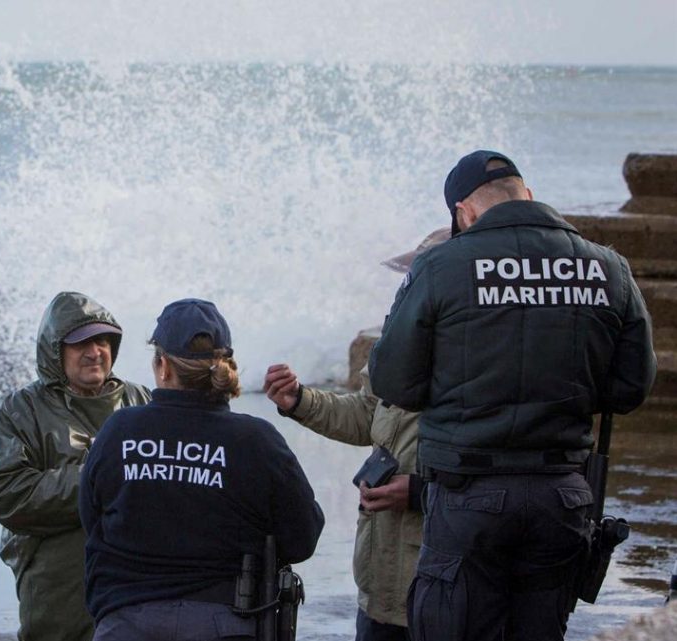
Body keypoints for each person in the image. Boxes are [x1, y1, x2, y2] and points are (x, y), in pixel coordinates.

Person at [368, 150, 656, 641]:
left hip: (467, 496)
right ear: (529, 194)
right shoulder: (608, 268)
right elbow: (629, 389)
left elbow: (394, 384)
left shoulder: (441, 266)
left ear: (464, 212)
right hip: (562, 496)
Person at [80, 298, 325, 640]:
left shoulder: (119, 431)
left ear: (163, 365)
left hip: (127, 620)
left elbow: (93, 521)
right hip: (225, 620)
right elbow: (302, 538)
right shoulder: (256, 440)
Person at [261, 227, 448, 641]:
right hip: (381, 587)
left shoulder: (482, 353)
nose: (406, 286)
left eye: (417, 276)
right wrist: (300, 401)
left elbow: (508, 482)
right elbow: (368, 414)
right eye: (408, 277)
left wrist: (419, 493)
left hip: (442, 591)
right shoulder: (398, 342)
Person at [0, 291, 151, 641]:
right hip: (57, 591)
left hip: (137, 588)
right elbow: (8, 495)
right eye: (81, 344)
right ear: (54, 350)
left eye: (103, 340)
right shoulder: (22, 410)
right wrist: (97, 479)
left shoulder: (139, 401)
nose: (95, 352)